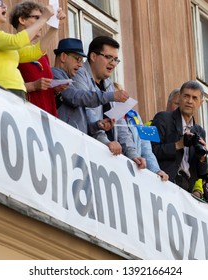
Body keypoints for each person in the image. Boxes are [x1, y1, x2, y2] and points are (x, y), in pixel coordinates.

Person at [73, 36, 145, 169]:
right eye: (108, 57)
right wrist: (106, 142)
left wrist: (133, 153)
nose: (113, 63)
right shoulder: (80, 74)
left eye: (116, 59)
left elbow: (120, 123)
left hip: (108, 156)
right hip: (85, 151)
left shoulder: (109, 84)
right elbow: (87, 111)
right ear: (93, 56)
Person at [0, 0, 54, 99]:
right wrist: (43, 18)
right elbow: (15, 41)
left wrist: (55, 27)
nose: (5, 7)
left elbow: (35, 52)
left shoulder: (1, 37)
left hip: (12, 90)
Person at [52, 37, 128, 134]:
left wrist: (98, 125)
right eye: (78, 59)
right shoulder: (55, 74)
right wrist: (111, 96)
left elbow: (80, 122)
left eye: (115, 59)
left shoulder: (70, 78)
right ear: (63, 57)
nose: (80, 65)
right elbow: (76, 97)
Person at [151, 80, 208, 192]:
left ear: (200, 103)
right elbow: (152, 151)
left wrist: (202, 158)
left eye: (194, 98)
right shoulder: (163, 118)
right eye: (186, 96)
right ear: (180, 98)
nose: (190, 101)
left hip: (187, 190)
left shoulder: (199, 131)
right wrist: (178, 144)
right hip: (164, 182)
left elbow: (202, 173)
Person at [11, 1, 66, 116]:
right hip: (26, 115)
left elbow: (44, 89)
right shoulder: (11, 48)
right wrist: (33, 86)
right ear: (22, 20)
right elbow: (7, 86)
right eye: (37, 18)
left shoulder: (42, 54)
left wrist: (55, 89)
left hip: (47, 115)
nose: (43, 22)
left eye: (43, 18)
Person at [114, 82, 168, 181]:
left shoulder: (135, 116)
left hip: (137, 170)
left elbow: (146, 147)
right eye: (117, 97)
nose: (120, 101)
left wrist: (156, 170)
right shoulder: (110, 116)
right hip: (117, 169)